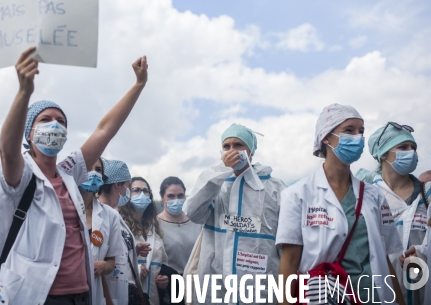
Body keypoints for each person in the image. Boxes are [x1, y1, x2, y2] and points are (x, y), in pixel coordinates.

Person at [0, 46, 148, 304]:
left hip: (81, 293)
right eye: (45, 120)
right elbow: (7, 152)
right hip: (40, 296)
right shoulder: (21, 176)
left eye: (61, 122)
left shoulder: (68, 172)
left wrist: (138, 85)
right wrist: (24, 92)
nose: (54, 125)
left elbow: (104, 130)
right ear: (28, 133)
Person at [276, 104, 405, 305]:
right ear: (325, 137)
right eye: (349, 130)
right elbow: (289, 262)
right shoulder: (297, 195)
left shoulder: (374, 196)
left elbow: (384, 260)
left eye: (361, 131)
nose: (358, 137)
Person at [184, 123, 286, 303]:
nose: (232, 151)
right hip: (216, 284)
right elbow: (192, 212)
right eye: (226, 146)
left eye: (238, 145)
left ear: (251, 151)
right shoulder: (214, 185)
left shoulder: (273, 188)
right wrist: (219, 172)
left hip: (259, 284)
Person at [357, 122, 429, 305]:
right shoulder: (365, 196)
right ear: (383, 154)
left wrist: (421, 254)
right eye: (403, 147)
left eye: (414, 148)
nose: (411, 153)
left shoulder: (426, 194)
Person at [98, 159, 145, 305]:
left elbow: (115, 251)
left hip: (126, 291)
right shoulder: (98, 215)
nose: (127, 192)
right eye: (127, 186)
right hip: (108, 295)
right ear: (117, 185)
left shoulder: (114, 215)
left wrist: (132, 251)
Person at [80, 158, 126, 305]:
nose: (93, 173)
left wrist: (104, 266)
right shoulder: (61, 208)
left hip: (94, 292)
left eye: (98, 170)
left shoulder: (110, 215)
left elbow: (112, 261)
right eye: (88, 167)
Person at [119, 177, 169, 305]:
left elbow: (162, 262)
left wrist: (163, 279)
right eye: (136, 190)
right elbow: (112, 261)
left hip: (152, 297)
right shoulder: (118, 224)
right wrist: (134, 270)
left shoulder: (154, 226)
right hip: (128, 296)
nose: (142, 194)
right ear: (127, 194)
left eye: (146, 191)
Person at [157, 176, 201, 303]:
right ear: (162, 197)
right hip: (171, 290)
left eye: (180, 195)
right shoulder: (155, 224)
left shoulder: (197, 221)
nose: (176, 200)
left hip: (196, 285)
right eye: (171, 196)